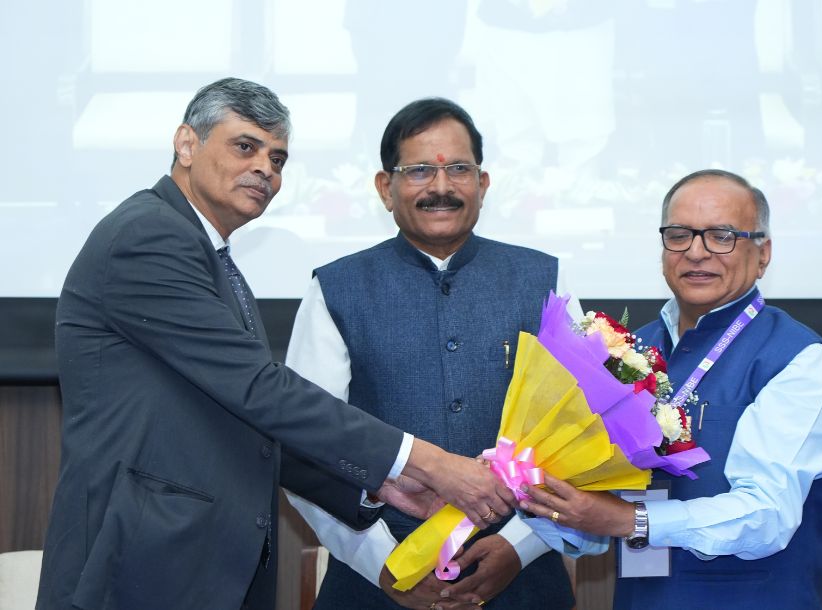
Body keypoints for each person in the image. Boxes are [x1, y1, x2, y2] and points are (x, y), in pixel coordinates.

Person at [37, 78, 514, 610]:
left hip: (197, 564)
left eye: (279, 157)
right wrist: (421, 461)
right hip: (140, 566)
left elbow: (242, 422)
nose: (266, 168)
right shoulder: (148, 237)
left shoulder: (207, 253)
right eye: (246, 146)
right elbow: (259, 389)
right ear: (186, 144)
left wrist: (369, 487)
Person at [283, 98, 580, 609]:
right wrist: (384, 565)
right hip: (372, 588)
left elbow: (581, 434)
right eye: (419, 170)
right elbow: (306, 448)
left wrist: (518, 548)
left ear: (482, 185)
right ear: (386, 188)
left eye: (458, 170)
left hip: (524, 584)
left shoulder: (544, 281)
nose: (440, 188)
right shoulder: (335, 289)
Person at [517, 169, 822, 608]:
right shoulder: (622, 353)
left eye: (721, 236)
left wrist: (631, 520)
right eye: (679, 235)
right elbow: (590, 534)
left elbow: (767, 516)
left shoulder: (799, 360)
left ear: (763, 253)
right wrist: (535, 494)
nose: (696, 252)